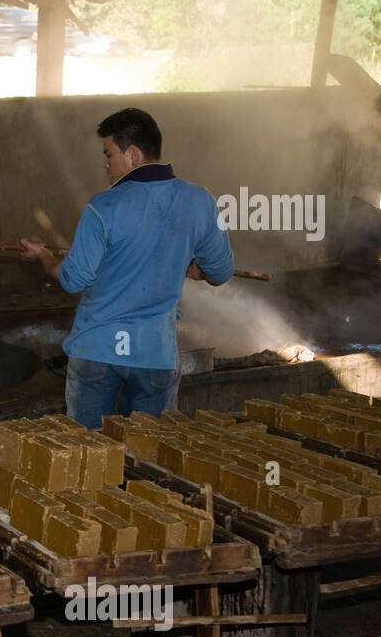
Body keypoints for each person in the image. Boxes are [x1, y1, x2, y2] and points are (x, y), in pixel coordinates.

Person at [19, 108, 234, 429]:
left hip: (97, 350)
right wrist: (195, 267)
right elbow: (221, 272)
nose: (105, 163)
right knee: (147, 451)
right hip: (154, 353)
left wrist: (45, 257)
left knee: (85, 452)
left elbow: (72, 278)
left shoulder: (102, 207)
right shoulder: (201, 201)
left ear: (132, 154)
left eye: (109, 154)